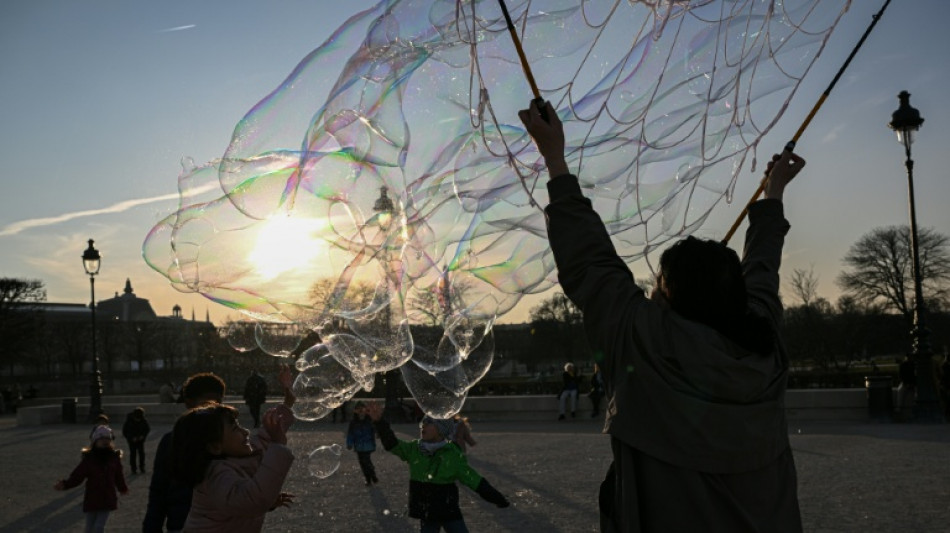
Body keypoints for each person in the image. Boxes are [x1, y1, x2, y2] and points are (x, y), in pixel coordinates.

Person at [520, 100, 805, 532]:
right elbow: (762, 270)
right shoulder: (763, 344)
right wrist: (774, 193)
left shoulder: (643, 342)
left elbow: (589, 260)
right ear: (737, 296)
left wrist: (554, 157)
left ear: (667, 294)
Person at [171, 365, 296, 532]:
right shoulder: (215, 475)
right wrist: (278, 444)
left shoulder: (240, 455)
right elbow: (251, 500)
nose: (245, 431)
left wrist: (288, 401)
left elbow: (265, 438)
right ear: (215, 446)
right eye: (235, 429)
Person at [366, 402, 509, 532]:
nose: (423, 425)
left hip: (449, 512)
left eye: (429, 423)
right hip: (427, 512)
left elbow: (474, 481)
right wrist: (379, 421)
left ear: (441, 430)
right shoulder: (414, 449)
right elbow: (391, 443)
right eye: (423, 422)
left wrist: (498, 499)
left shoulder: (452, 454)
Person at [143, 372, 226, 533]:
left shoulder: (229, 439)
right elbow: (159, 491)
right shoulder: (172, 441)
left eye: (219, 404)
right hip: (186, 523)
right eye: (208, 404)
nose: (215, 409)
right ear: (189, 403)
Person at [54, 425, 129, 533]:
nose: (105, 441)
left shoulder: (114, 458)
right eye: (102, 438)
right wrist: (65, 484)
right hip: (92, 497)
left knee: (98, 527)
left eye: (108, 438)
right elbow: (78, 476)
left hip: (108, 497)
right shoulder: (89, 459)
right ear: (95, 441)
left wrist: (122, 488)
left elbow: (118, 475)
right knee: (89, 528)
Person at [345, 401, 379, 486]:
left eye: (362, 410)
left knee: (366, 461)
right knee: (363, 463)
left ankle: (372, 476)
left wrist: (378, 433)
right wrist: (350, 443)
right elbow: (350, 434)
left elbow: (375, 429)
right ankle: (369, 478)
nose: (361, 412)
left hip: (367, 445)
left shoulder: (369, 421)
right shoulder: (353, 423)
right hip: (359, 446)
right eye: (359, 410)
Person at [122, 406, 151, 474]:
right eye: (137, 419)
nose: (138, 420)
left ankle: (142, 467)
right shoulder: (128, 421)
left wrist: (142, 436)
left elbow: (147, 429)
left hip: (140, 440)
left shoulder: (143, 420)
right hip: (132, 441)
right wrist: (131, 438)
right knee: (133, 454)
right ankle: (133, 468)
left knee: (141, 454)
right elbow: (125, 431)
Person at [897, 354, 917, 421]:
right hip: (909, 384)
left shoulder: (903, 365)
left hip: (906, 384)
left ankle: (899, 413)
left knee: (901, 398)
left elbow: (901, 375)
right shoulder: (914, 364)